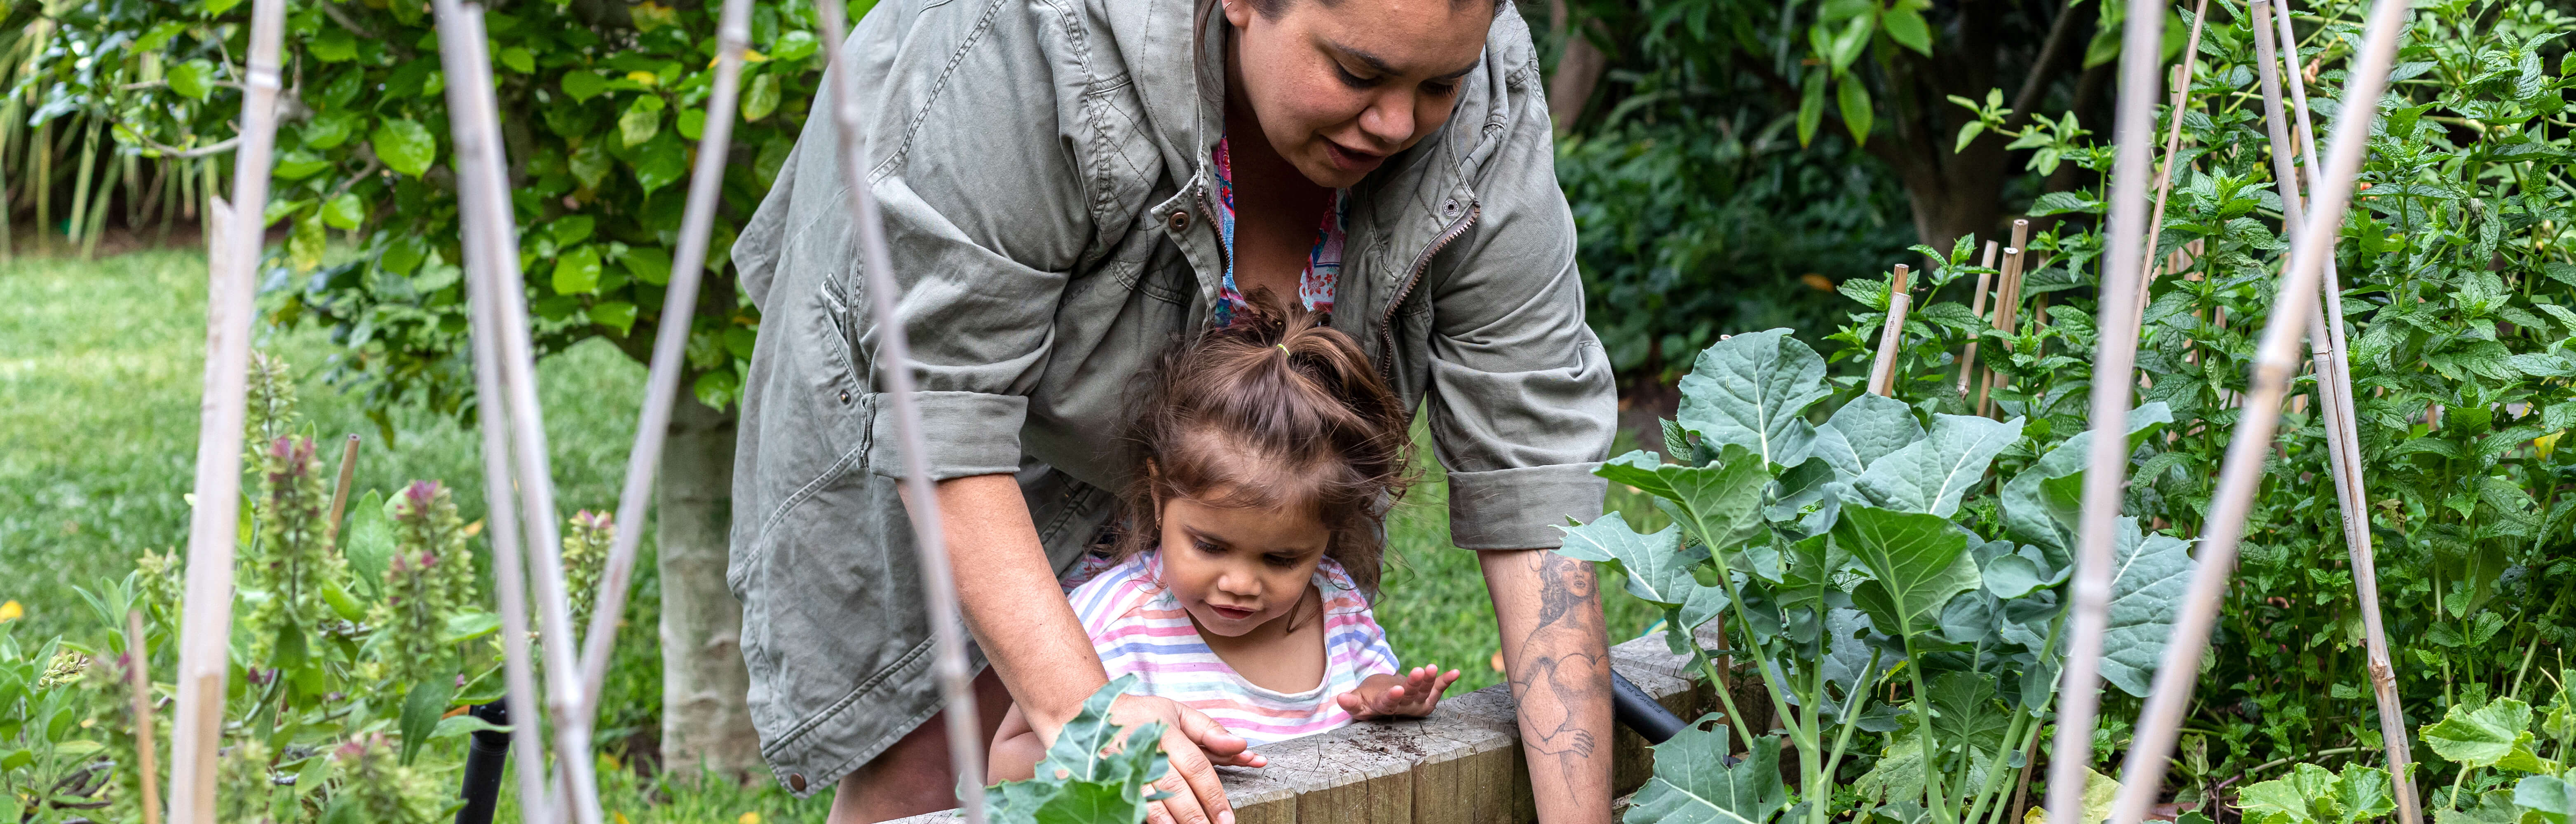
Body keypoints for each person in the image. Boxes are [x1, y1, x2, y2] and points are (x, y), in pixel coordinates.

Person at [726, 0, 1620, 817]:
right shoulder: (1025, 44)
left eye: (1436, 85)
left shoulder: (1480, 83)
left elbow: (1533, 470)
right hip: (939, 327)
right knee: (928, 748)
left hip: (1231, 411)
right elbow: (942, 416)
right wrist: (1092, 719)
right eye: (1355, 73)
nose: (1396, 121)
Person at [990, 295, 1464, 780]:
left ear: (1329, 534)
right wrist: (1122, 752)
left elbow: (1367, 686)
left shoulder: (1336, 604)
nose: (1239, 582)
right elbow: (1005, 766)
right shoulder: (1112, 619)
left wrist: (1384, 700)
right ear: (1158, 496)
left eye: (1281, 559)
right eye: (1210, 545)